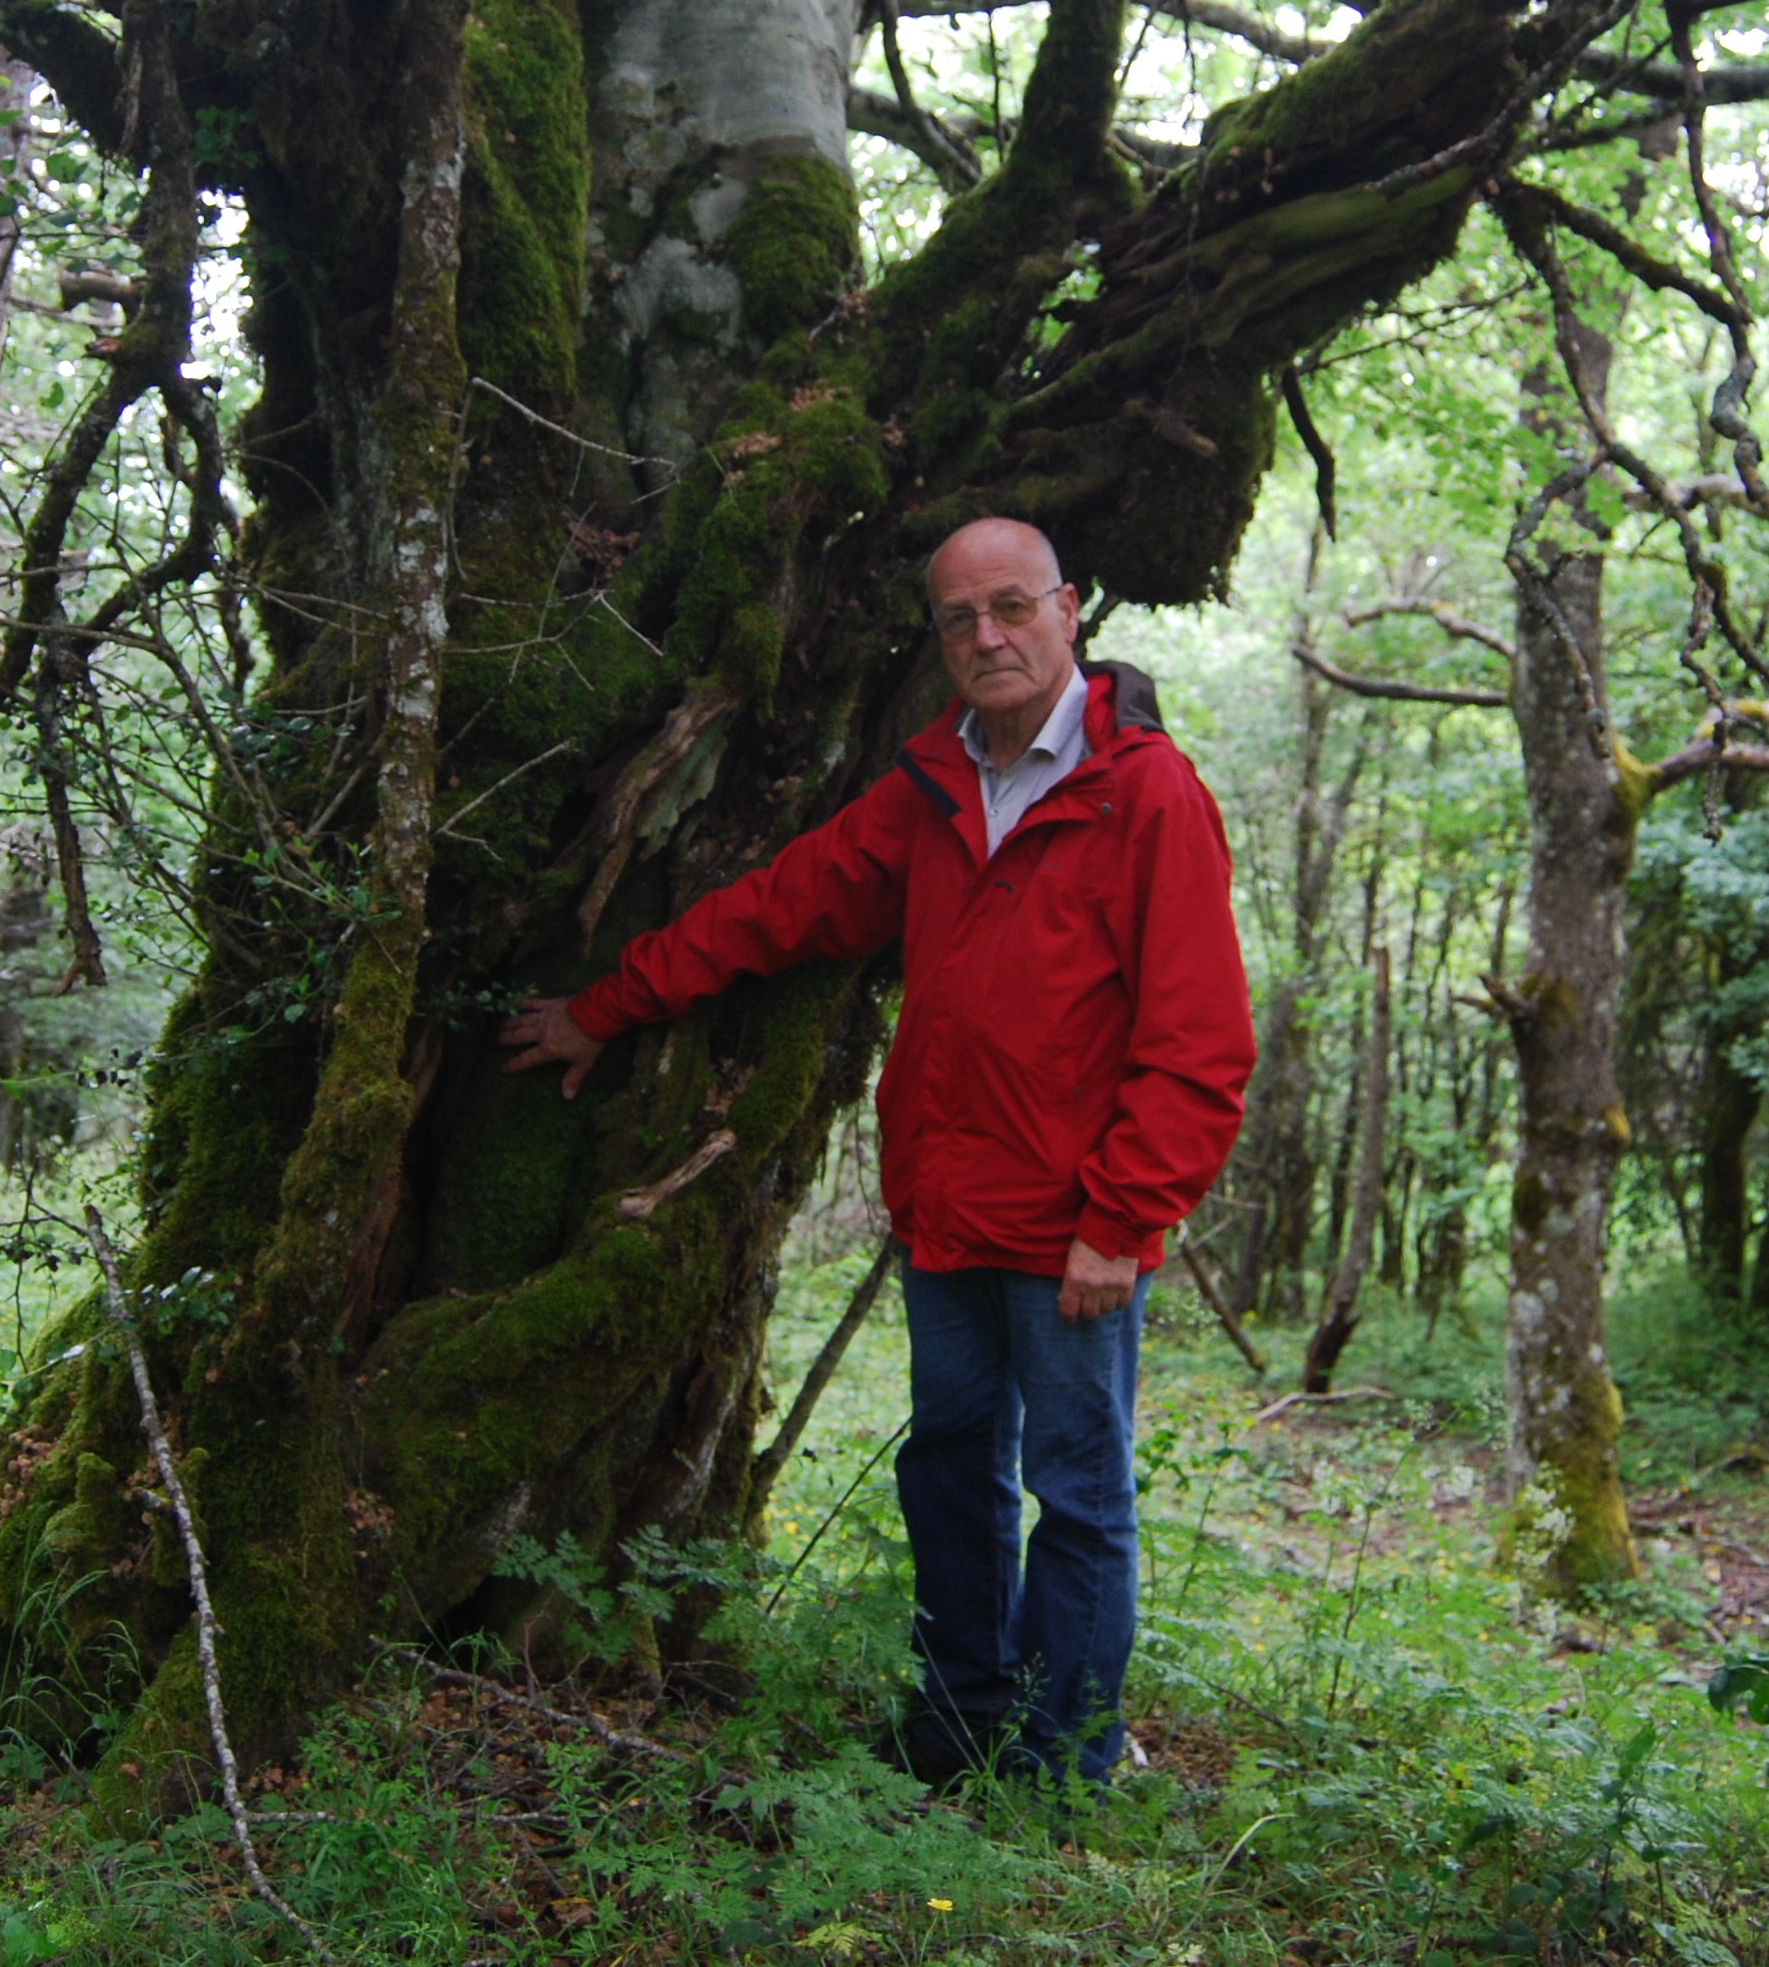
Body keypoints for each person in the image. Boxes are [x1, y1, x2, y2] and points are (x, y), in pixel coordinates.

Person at [501, 517, 1254, 1784]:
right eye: (959, 619)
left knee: (1078, 1495)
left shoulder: (1144, 793)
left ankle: (1062, 1763)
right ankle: (956, 1731)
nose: (987, 637)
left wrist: (1122, 1220)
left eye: (1010, 607)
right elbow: (776, 907)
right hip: (946, 1214)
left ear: (1067, 609)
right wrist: (605, 1007)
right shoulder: (933, 787)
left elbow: (1199, 1042)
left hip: (1073, 1230)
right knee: (948, 1470)